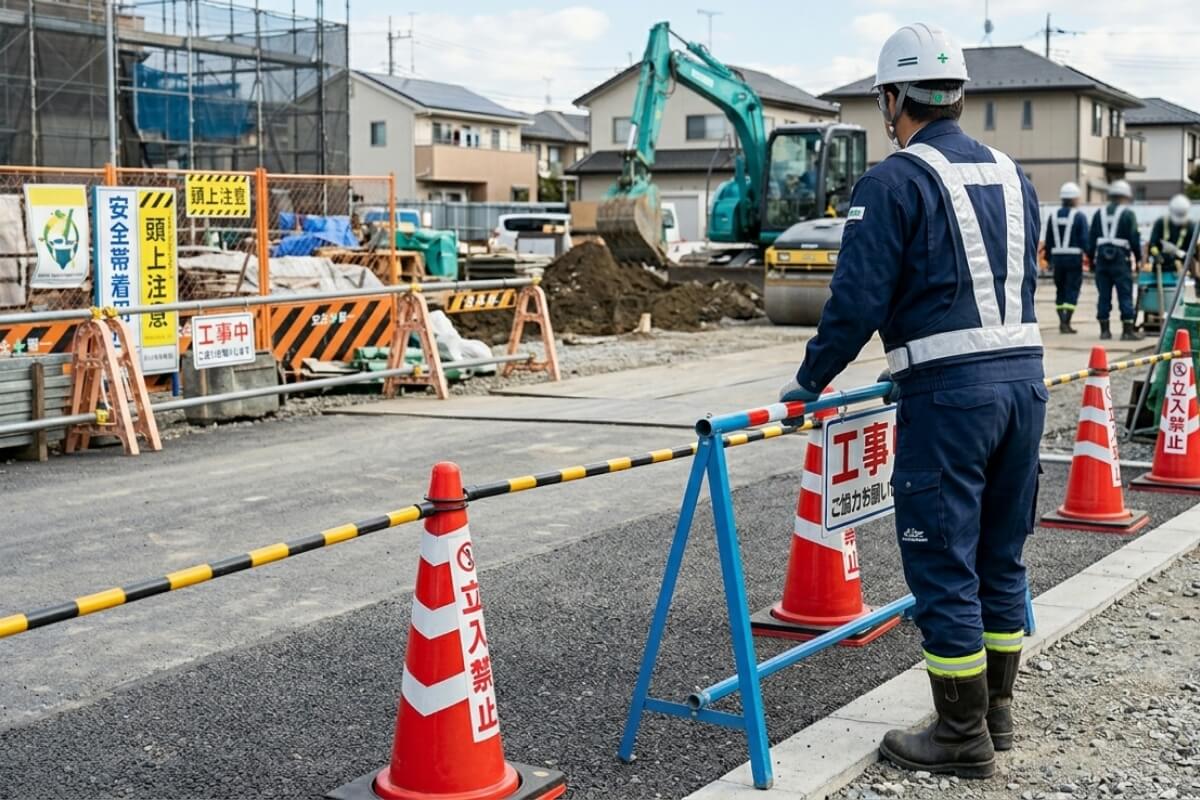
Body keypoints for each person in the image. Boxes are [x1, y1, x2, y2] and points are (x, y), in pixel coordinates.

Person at [778, 23, 1045, 779]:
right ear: (957, 94)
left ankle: (959, 737)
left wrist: (810, 381)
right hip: (1023, 386)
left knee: (944, 564)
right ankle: (995, 715)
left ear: (894, 98)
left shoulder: (893, 181)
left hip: (951, 401)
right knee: (1000, 557)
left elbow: (856, 298)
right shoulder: (1012, 173)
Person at [1088, 180, 1142, 340]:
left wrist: (1092, 260)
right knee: (1125, 295)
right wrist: (1138, 259)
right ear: (1125, 196)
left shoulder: (1099, 213)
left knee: (1103, 295)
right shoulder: (1128, 214)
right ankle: (1127, 331)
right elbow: (1134, 238)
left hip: (1102, 261)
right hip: (1120, 260)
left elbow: (1091, 240)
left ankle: (1104, 331)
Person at [1039, 181, 1089, 334]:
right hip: (1073, 260)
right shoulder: (1080, 217)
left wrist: (1047, 259)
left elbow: (1048, 240)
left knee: (1060, 290)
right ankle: (1067, 322)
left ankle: (1062, 321)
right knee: (1072, 289)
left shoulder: (1052, 217)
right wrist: (1091, 257)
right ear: (1074, 199)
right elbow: (1085, 240)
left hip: (1058, 260)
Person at [1148, 193, 1195, 280]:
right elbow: (1152, 244)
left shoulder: (1191, 227)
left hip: (1179, 270)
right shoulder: (1161, 223)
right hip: (1160, 267)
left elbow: (1192, 252)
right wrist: (1157, 255)